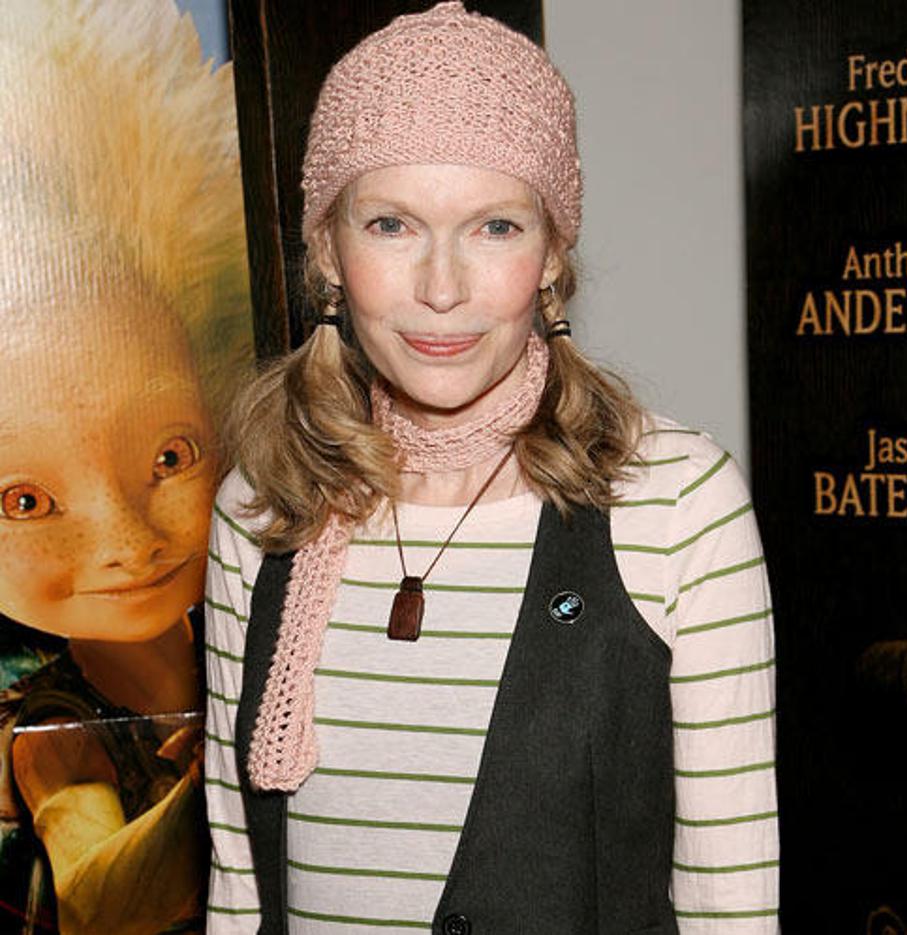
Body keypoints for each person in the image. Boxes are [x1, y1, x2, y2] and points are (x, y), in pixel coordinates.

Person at [205, 3, 778, 932]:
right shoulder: (262, 501)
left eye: (495, 227)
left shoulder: (675, 501)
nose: (442, 288)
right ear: (326, 251)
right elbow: (239, 883)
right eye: (390, 224)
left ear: (551, 255)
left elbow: (733, 902)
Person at [0, 1, 252, 931]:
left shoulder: (250, 636)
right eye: (27, 500)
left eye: (170, 455)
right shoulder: (52, 723)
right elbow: (100, 899)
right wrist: (234, 764)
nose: (124, 540)